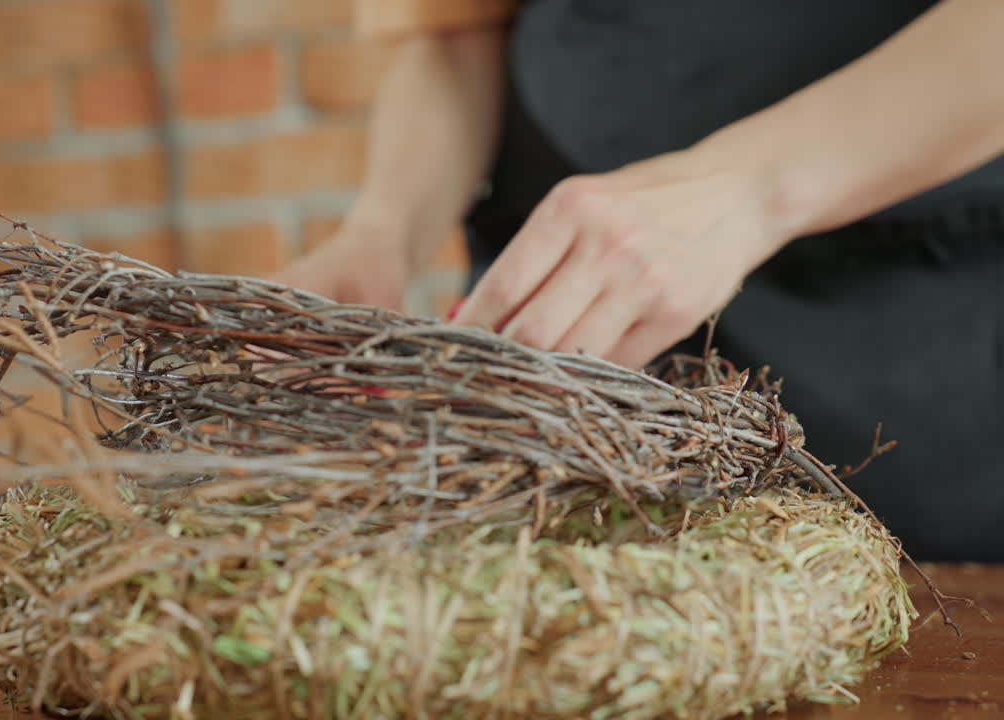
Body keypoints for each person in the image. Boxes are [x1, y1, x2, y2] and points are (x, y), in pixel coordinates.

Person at [275, 0, 1004, 562]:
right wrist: (382, 234)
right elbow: (451, 29)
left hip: (919, 305)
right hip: (580, 303)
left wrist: (744, 190)